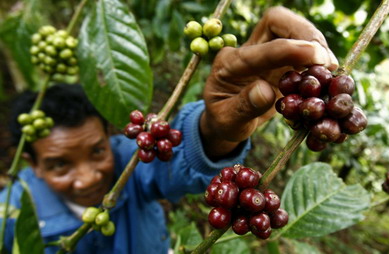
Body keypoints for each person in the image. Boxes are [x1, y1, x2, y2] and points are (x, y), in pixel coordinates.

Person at [0, 6, 338, 254]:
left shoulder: (127, 162)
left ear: (110, 138)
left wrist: (218, 129)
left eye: (97, 151)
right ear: (31, 163)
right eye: (60, 164)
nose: (88, 178)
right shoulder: (9, 215)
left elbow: (175, 161)